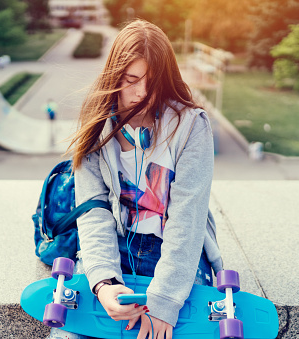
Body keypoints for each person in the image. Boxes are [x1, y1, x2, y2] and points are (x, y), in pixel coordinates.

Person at [50, 19, 223, 339]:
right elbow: (93, 209)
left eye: (152, 82)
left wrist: (167, 299)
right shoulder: (98, 121)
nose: (142, 92)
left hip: (174, 247)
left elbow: (187, 218)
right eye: (131, 79)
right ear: (115, 76)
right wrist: (103, 281)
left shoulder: (192, 126)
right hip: (116, 237)